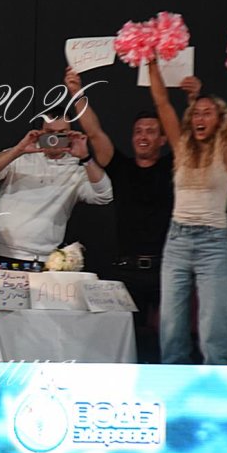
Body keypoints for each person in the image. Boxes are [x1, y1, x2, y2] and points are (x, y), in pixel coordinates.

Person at [81, 68, 201, 358]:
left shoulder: (173, 166)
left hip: (166, 269)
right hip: (126, 270)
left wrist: (193, 100)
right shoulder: (120, 167)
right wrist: (76, 92)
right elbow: (94, 132)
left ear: (162, 139)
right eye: (138, 131)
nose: (143, 136)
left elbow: (192, 141)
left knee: (171, 344)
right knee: (121, 345)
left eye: (150, 131)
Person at [147, 60, 227, 364]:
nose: (200, 118)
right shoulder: (181, 147)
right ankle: (173, 376)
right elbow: (162, 102)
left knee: (213, 326)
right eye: (196, 113)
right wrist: (150, 59)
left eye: (207, 113)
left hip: (213, 243)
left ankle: (214, 379)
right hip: (177, 240)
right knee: (171, 323)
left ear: (220, 120)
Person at [0, 71, 113, 267]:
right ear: (41, 131)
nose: (55, 139)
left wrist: (85, 158)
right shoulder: (20, 156)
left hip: (42, 259)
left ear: (70, 134)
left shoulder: (77, 171)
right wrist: (17, 150)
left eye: (62, 133)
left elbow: (105, 195)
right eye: (50, 132)